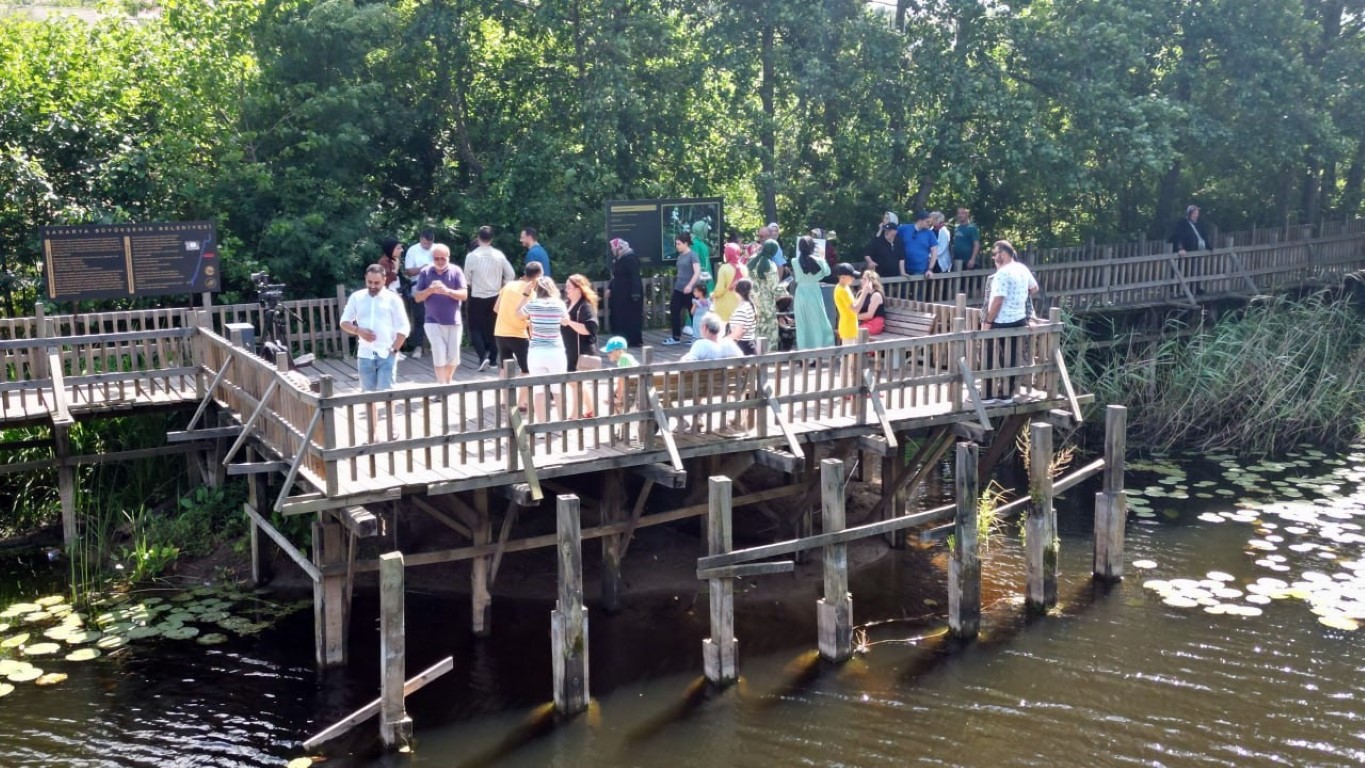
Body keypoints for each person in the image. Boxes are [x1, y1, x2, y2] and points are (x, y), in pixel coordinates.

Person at [339, 264, 410, 441]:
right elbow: (344, 322)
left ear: (384, 280)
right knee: (368, 394)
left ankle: (391, 428)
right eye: (369, 282)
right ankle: (372, 433)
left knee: (387, 393)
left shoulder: (393, 299)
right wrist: (358, 331)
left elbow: (404, 327)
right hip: (365, 353)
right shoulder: (357, 297)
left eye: (376, 283)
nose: (372, 286)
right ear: (365, 279)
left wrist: (395, 349)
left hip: (386, 352)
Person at [981, 240, 1039, 403]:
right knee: (1012, 357)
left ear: (1004, 254)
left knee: (989, 356)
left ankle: (987, 395)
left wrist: (988, 322)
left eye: (995, 254)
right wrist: (1019, 293)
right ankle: (1008, 394)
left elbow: (998, 300)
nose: (993, 257)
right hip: (1019, 319)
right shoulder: (1022, 268)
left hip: (1001, 321)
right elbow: (1034, 288)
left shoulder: (1003, 274)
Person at [412, 243, 468, 388]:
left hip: (453, 321)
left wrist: (447, 291)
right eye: (436, 258)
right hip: (432, 321)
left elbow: (464, 295)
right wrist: (430, 290)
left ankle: (446, 382)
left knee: (454, 359)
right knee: (439, 354)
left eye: (443, 258)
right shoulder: (425, 272)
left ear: (448, 257)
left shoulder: (456, 271)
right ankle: (442, 387)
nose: (440, 261)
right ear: (432, 258)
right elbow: (418, 297)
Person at [518, 275, 570, 422]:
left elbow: (518, 314)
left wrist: (525, 295)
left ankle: (541, 428)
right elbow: (565, 322)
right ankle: (561, 425)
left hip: (536, 351)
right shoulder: (559, 304)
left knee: (539, 391)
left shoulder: (533, 304)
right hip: (555, 351)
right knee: (558, 390)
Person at [465, 225, 516, 372]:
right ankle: (493, 359)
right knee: (493, 328)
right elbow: (511, 274)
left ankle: (482, 357)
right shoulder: (498, 255)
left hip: (477, 296)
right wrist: (503, 286)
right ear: (491, 239)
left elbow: (466, 279)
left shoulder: (472, 256)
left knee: (475, 328)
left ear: (478, 237)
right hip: (495, 295)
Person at [493, 261, 539, 387]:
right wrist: (528, 322)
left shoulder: (508, 286)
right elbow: (527, 314)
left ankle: (504, 400)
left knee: (504, 368)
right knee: (526, 369)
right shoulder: (531, 293)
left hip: (500, 332)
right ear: (538, 276)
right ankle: (523, 403)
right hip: (518, 334)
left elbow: (496, 308)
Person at [562, 274, 601, 418]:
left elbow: (589, 329)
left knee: (575, 382)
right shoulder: (567, 303)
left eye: (569, 287)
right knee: (574, 382)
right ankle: (592, 409)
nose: (566, 290)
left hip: (582, 349)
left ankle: (575, 414)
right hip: (569, 348)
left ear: (579, 289)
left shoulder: (585, 306)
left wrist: (570, 322)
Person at [792, 235, 834, 349]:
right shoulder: (819, 260)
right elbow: (828, 272)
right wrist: (822, 257)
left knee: (802, 324)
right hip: (814, 292)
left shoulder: (794, 261)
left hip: (800, 293)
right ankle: (817, 350)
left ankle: (803, 351)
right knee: (817, 322)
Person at [403, 228, 436, 358]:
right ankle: (417, 346)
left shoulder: (437, 249)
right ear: (421, 239)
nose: (427, 246)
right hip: (418, 288)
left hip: (435, 288)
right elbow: (409, 271)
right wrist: (423, 268)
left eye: (430, 243)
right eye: (425, 243)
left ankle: (435, 345)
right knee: (419, 318)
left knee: (436, 318)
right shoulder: (413, 250)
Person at [663, 232, 700, 345]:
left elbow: (697, 272)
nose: (677, 246)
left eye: (679, 244)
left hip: (690, 289)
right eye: (676, 244)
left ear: (686, 243)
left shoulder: (692, 255)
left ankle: (696, 337)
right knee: (674, 309)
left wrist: (690, 285)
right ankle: (676, 337)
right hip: (679, 288)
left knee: (693, 312)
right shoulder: (680, 256)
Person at [606, 238, 644, 347]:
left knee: (630, 317)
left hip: (629, 294)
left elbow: (635, 276)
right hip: (620, 294)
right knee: (620, 317)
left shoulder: (631, 258)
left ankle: (633, 340)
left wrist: (635, 293)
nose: (613, 250)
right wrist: (610, 288)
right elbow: (616, 276)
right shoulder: (620, 258)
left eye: (614, 248)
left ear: (620, 248)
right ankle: (621, 338)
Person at [746, 239, 781, 345]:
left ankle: (754, 352)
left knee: (755, 326)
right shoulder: (770, 265)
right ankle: (768, 354)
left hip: (752, 300)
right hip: (766, 303)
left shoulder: (752, 260)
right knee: (769, 329)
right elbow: (774, 286)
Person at [711, 242, 746, 321]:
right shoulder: (744, 268)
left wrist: (712, 295)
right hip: (740, 306)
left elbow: (719, 290)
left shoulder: (724, 268)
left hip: (724, 308)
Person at [603, 336, 638, 413]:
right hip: (634, 388)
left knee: (613, 402)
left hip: (632, 392)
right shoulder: (628, 357)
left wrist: (619, 397)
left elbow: (622, 379)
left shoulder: (623, 359)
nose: (608, 354)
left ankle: (621, 421)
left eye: (610, 352)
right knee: (612, 398)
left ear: (619, 351)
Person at [727, 278, 759, 355]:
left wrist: (723, 341)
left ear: (737, 291)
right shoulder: (751, 306)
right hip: (751, 344)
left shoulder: (742, 309)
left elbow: (737, 333)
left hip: (741, 348)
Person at [833, 263, 859, 344]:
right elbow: (855, 309)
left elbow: (855, 303)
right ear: (842, 277)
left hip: (852, 325)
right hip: (847, 326)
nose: (853, 278)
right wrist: (865, 292)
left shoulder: (846, 287)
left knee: (851, 355)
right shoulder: (841, 290)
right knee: (847, 355)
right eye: (851, 276)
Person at [856, 270, 886, 336]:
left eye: (864, 279)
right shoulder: (861, 293)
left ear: (871, 281)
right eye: (862, 278)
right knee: (844, 329)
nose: (861, 281)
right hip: (863, 322)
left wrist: (853, 317)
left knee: (852, 331)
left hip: (874, 323)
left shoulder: (876, 295)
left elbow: (869, 315)